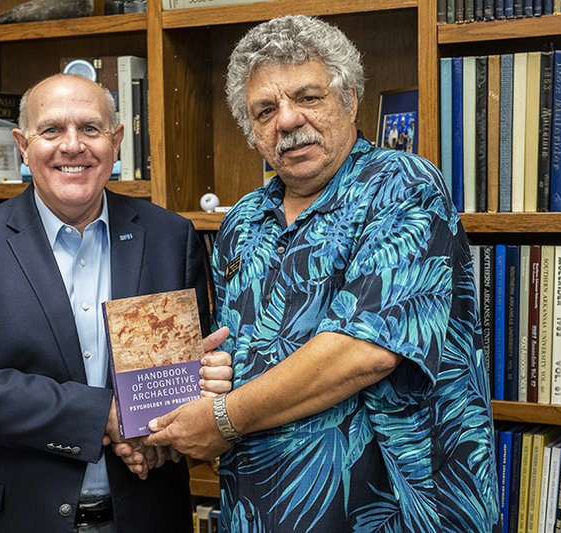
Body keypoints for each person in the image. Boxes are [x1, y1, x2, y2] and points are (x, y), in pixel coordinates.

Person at [144, 15, 499, 532]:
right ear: (252, 132)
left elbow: (365, 352)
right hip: (258, 509)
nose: (286, 121)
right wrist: (204, 385)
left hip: (391, 511)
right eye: (265, 110)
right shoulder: (241, 222)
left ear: (351, 100)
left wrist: (221, 418)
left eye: (307, 97)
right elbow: (234, 356)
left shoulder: (400, 185)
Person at [0, 73, 231, 533]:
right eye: (51, 131)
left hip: (144, 513)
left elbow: (182, 368)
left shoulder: (171, 237)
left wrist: (200, 389)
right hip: (8, 519)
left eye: (90, 128)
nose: (73, 146)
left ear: (117, 141)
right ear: (23, 146)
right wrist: (107, 416)